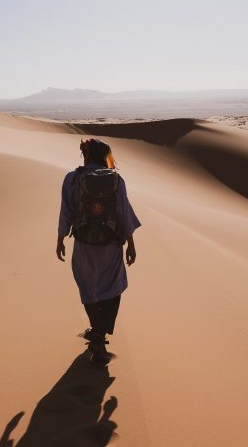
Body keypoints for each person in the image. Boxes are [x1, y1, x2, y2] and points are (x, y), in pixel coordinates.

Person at [56, 138, 141, 364]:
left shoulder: (72, 179)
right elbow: (123, 212)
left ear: (86, 155)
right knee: (113, 288)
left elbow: (66, 210)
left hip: (83, 246)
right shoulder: (116, 180)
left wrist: (60, 239)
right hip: (111, 246)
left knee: (88, 287)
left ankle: (97, 331)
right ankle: (100, 334)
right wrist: (131, 244)